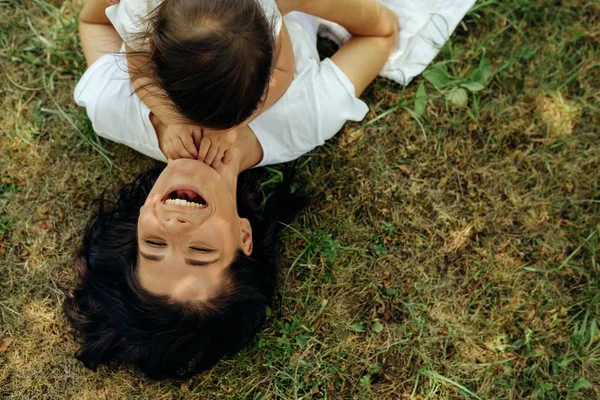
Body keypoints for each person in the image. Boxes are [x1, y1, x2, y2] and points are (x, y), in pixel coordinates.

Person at [67, 0, 399, 379]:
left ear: (141, 219)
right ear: (244, 236)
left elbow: (94, 21)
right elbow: (382, 31)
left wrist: (164, 116)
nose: (174, 228)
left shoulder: (117, 113)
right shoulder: (302, 123)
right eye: (200, 251)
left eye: (154, 246)